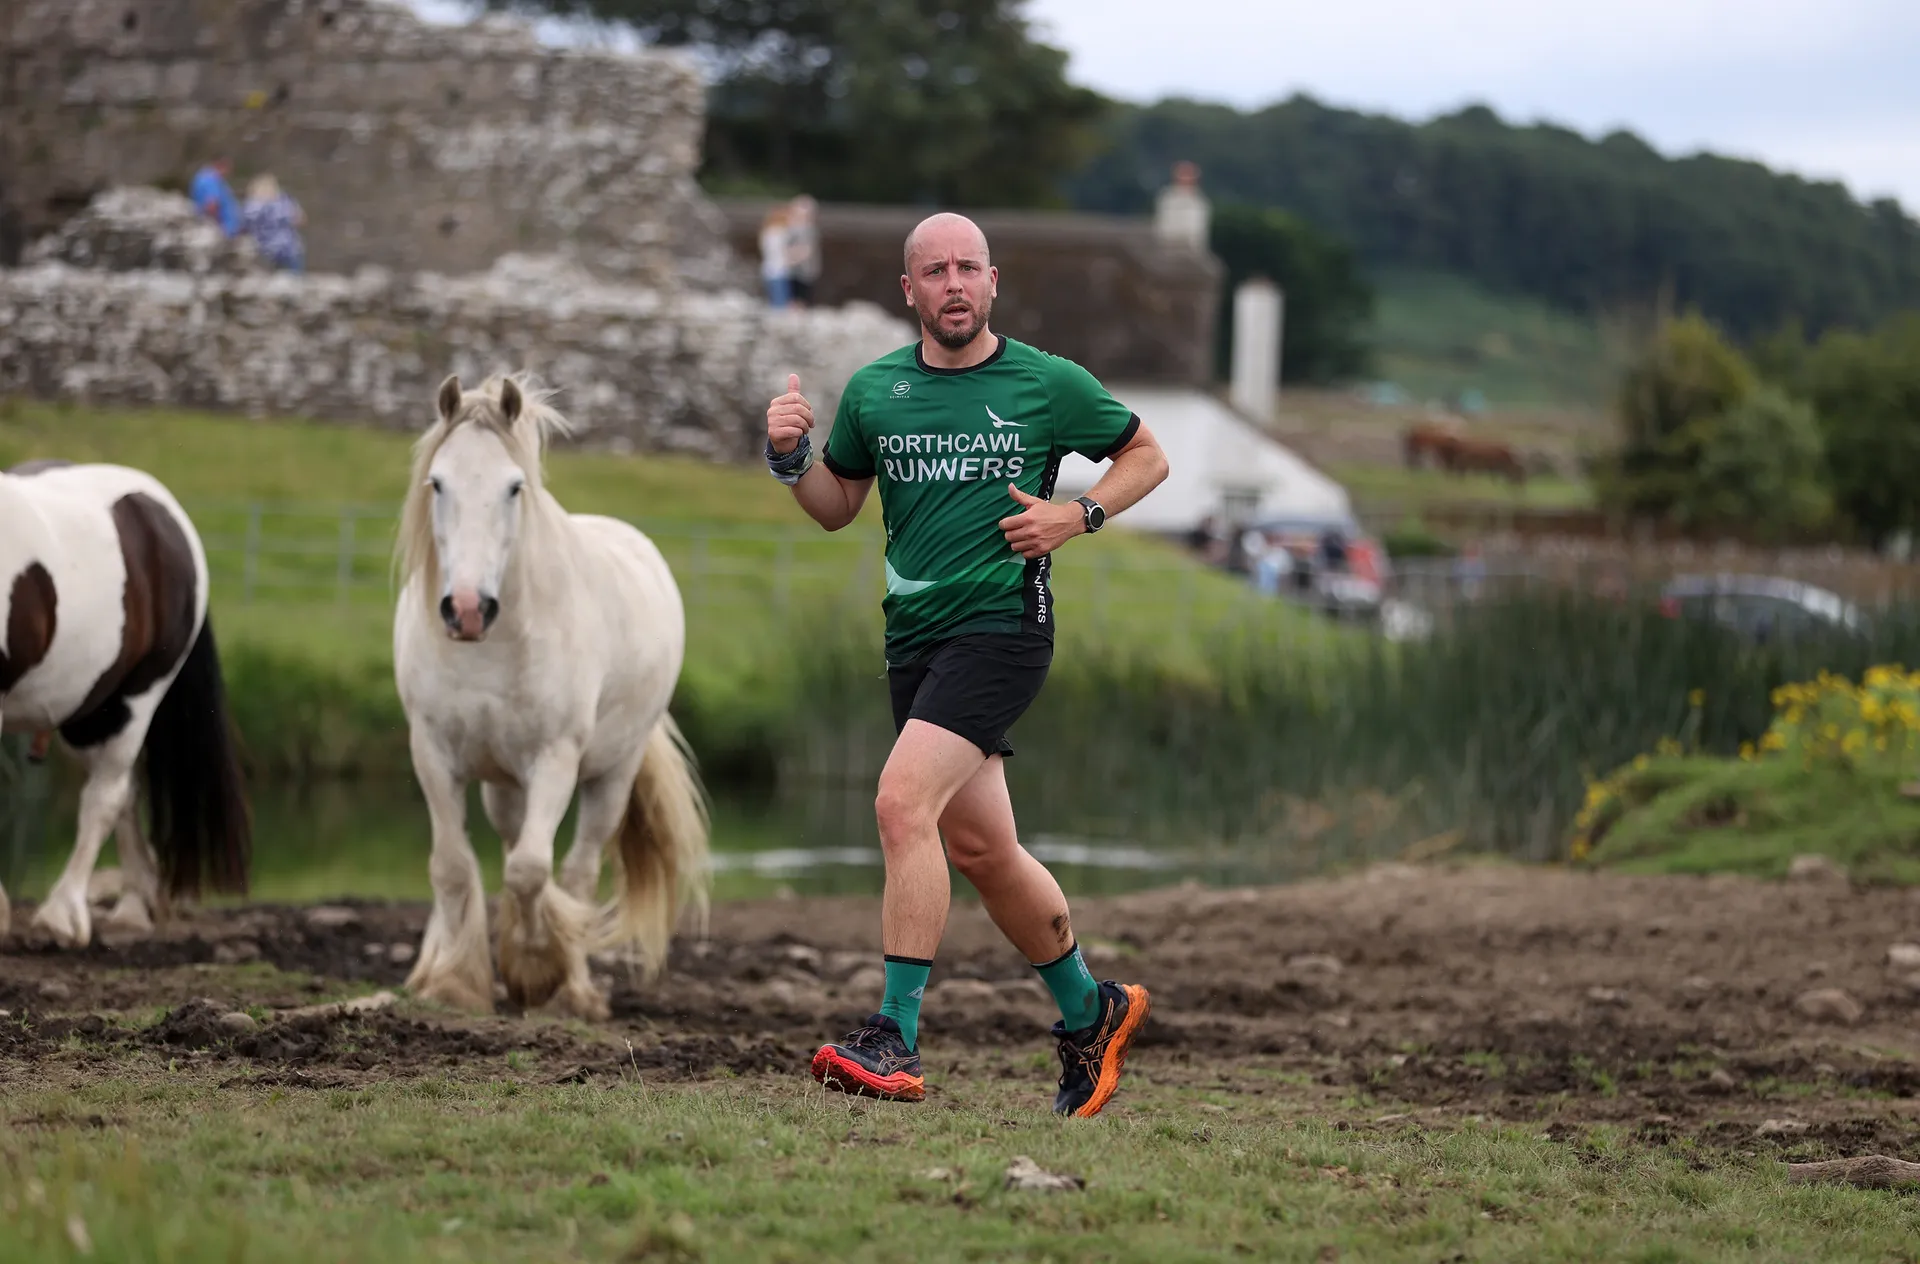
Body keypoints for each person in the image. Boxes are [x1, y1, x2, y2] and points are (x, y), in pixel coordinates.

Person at [762, 212, 1170, 1117]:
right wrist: (790, 458)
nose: (953, 283)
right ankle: (1089, 1011)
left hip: (1003, 627)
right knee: (982, 849)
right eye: (934, 271)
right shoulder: (875, 392)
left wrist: (1082, 513)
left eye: (967, 268)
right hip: (913, 638)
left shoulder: (1045, 382)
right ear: (909, 291)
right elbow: (836, 507)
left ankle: (894, 1037)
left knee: (900, 803)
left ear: (993, 282)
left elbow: (1147, 455)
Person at [241, 173, 306, 273]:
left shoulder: (251, 205)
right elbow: (300, 219)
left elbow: (244, 226)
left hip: (265, 252)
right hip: (287, 250)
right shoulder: (284, 201)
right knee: (294, 283)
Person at [188, 159, 241, 237]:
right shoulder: (211, 179)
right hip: (224, 229)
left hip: (216, 227)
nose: (228, 172)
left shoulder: (202, 176)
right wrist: (216, 226)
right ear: (221, 166)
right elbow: (212, 204)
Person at [785, 195, 821, 307]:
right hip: (792, 270)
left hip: (805, 271)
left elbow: (808, 250)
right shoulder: (791, 228)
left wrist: (794, 258)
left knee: (801, 299)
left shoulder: (810, 230)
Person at [759, 205, 792, 309]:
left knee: (773, 299)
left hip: (768, 269)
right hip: (779, 269)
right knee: (780, 302)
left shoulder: (766, 232)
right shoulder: (780, 233)